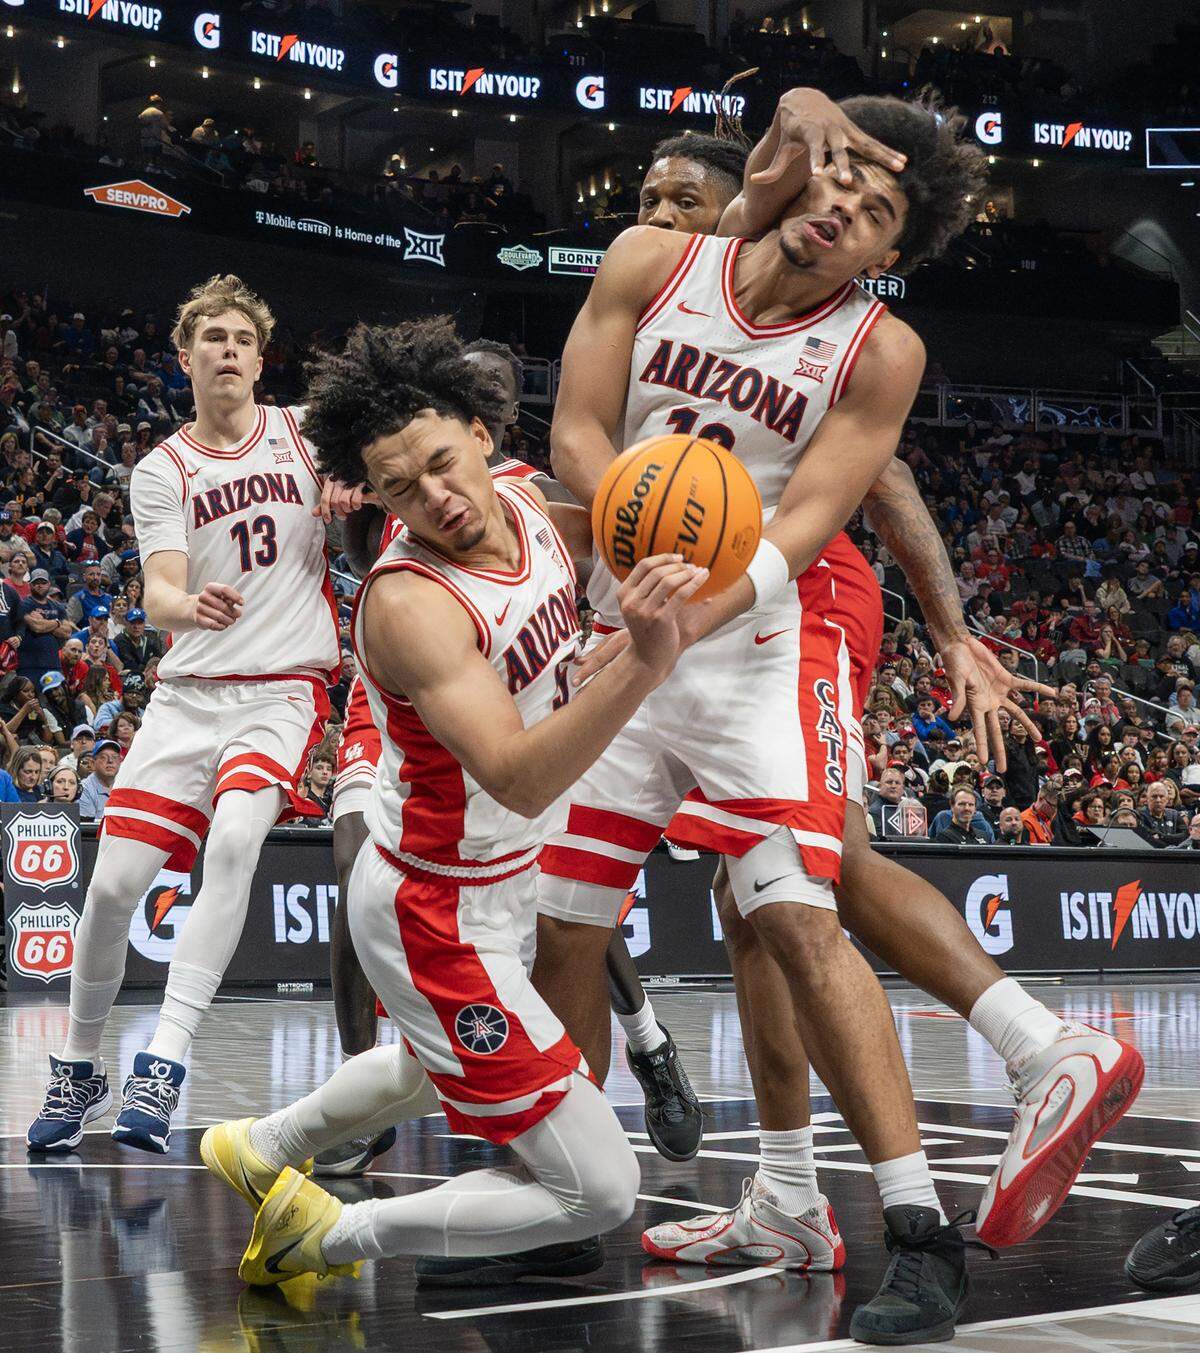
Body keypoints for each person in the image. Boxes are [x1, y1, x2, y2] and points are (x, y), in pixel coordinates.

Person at [534, 88, 1136, 1346]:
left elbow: (811, 521)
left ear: (887, 256)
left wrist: (694, 608)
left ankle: (918, 1233)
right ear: (797, 176)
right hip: (622, 622)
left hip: (756, 640)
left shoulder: (881, 349)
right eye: (839, 183)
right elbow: (580, 429)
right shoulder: (654, 260)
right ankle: (563, 1204)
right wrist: (629, 533)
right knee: (568, 926)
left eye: (877, 214)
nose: (846, 211)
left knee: (799, 913)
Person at [199, 318, 705, 1290]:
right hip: (436, 910)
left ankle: (259, 1148)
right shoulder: (409, 603)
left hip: (502, 879)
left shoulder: (529, 500)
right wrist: (643, 661)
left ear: (481, 433)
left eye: (441, 463)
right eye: (400, 488)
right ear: (380, 499)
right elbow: (517, 774)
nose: (436, 499)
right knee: (599, 1191)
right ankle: (325, 1237)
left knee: (433, 1065)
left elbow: (592, 560)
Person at [28, 275, 344, 1157]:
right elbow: (161, 586)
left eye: (244, 336)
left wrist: (354, 492)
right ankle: (83, 1063)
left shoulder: (306, 433)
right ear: (185, 357)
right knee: (113, 888)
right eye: (214, 337)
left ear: (262, 354)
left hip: (281, 688)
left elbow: (378, 470)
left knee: (238, 839)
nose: (231, 349)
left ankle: (165, 1057)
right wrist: (180, 608)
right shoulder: (161, 468)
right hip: (188, 694)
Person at [78, 738, 121, 819]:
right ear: (93, 763)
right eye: (103, 757)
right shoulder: (84, 789)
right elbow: (89, 828)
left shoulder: (126, 784)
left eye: (115, 757)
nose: (110, 761)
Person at [1136, 780, 1187, 847]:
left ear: (1167, 799)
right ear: (1147, 799)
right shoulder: (1139, 816)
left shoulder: (1175, 814)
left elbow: (1185, 836)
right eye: (1154, 796)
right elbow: (1149, 839)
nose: (1158, 800)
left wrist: (1161, 836)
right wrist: (1173, 840)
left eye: (1161, 796)